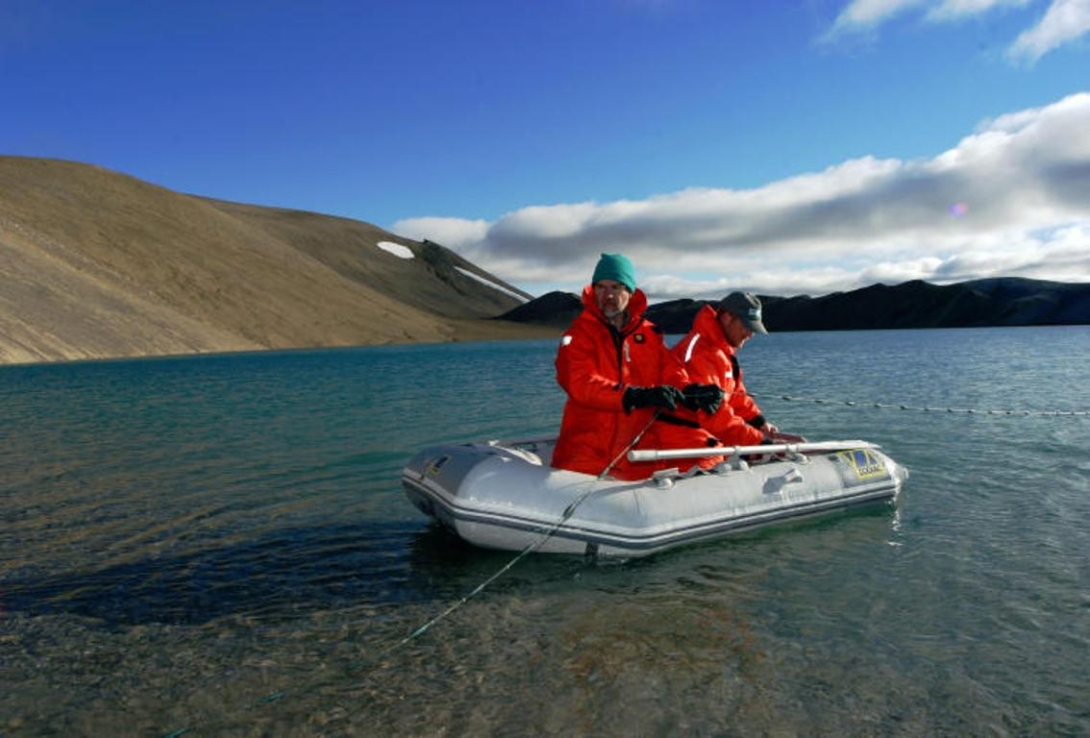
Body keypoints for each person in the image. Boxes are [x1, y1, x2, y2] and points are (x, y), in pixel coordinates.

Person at [552, 253, 721, 480]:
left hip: (636, 455)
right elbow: (579, 383)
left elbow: (671, 371)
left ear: (630, 291)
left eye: (616, 287)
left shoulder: (649, 334)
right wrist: (633, 396)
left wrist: (689, 391)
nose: (608, 295)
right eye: (600, 287)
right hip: (587, 457)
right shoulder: (578, 335)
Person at [659, 291, 798, 472]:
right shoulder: (699, 353)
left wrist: (759, 423)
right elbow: (714, 416)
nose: (750, 334)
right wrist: (761, 443)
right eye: (747, 326)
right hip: (689, 452)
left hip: (710, 445)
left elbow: (736, 396)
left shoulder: (722, 352)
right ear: (726, 318)